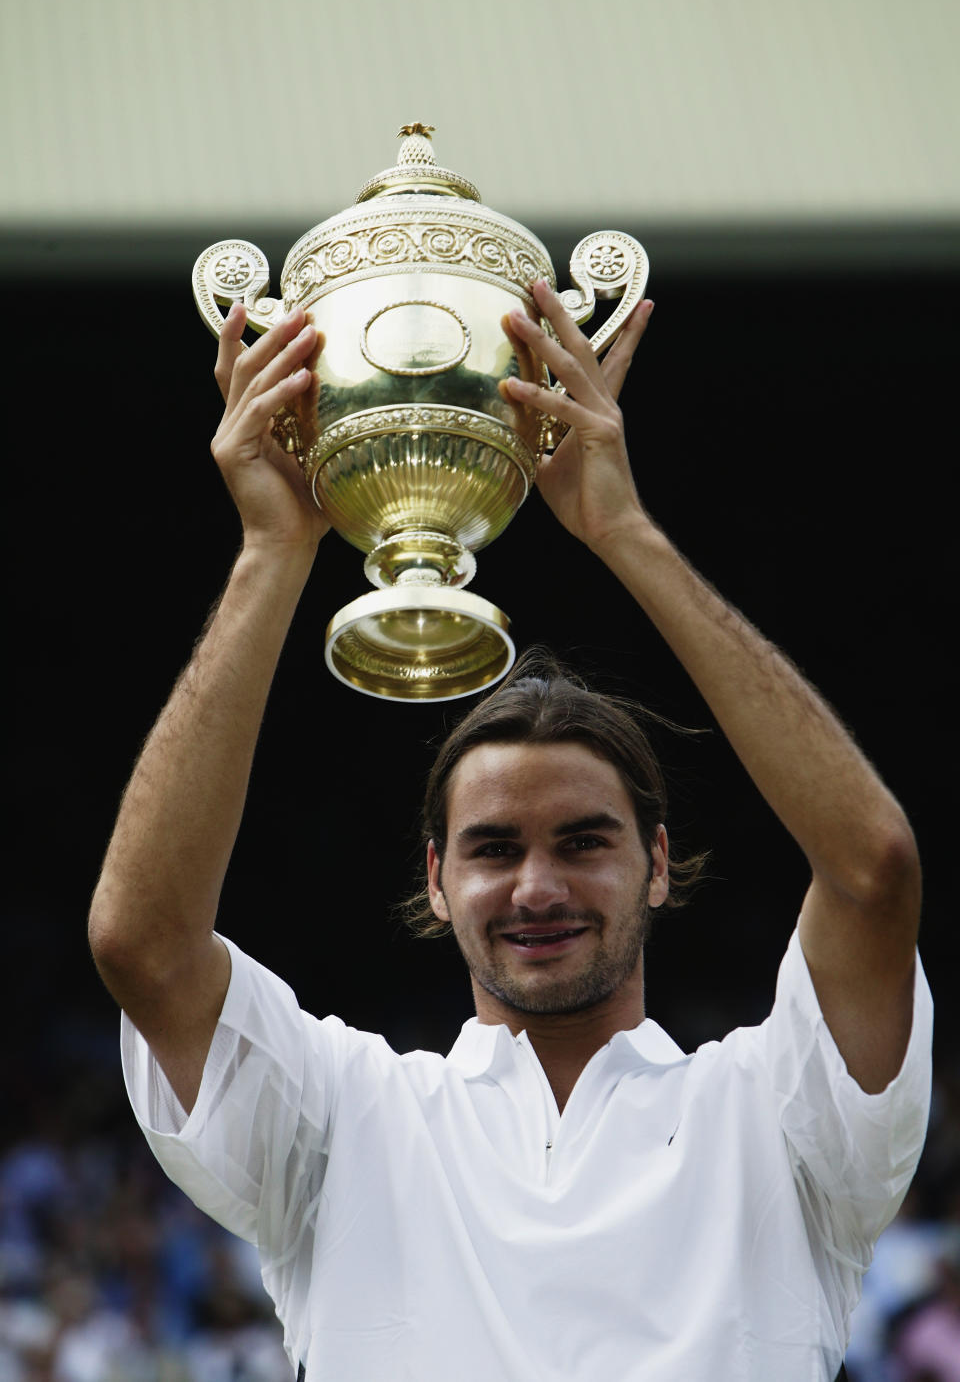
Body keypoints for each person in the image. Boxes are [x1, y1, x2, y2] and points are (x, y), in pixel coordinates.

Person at [89, 280, 933, 1381]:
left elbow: (873, 871)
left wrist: (622, 530)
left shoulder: (780, 1116)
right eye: (493, 849)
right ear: (436, 880)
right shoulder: (348, 1119)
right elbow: (140, 943)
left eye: (584, 841)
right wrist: (272, 551)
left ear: (658, 864)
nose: (537, 885)